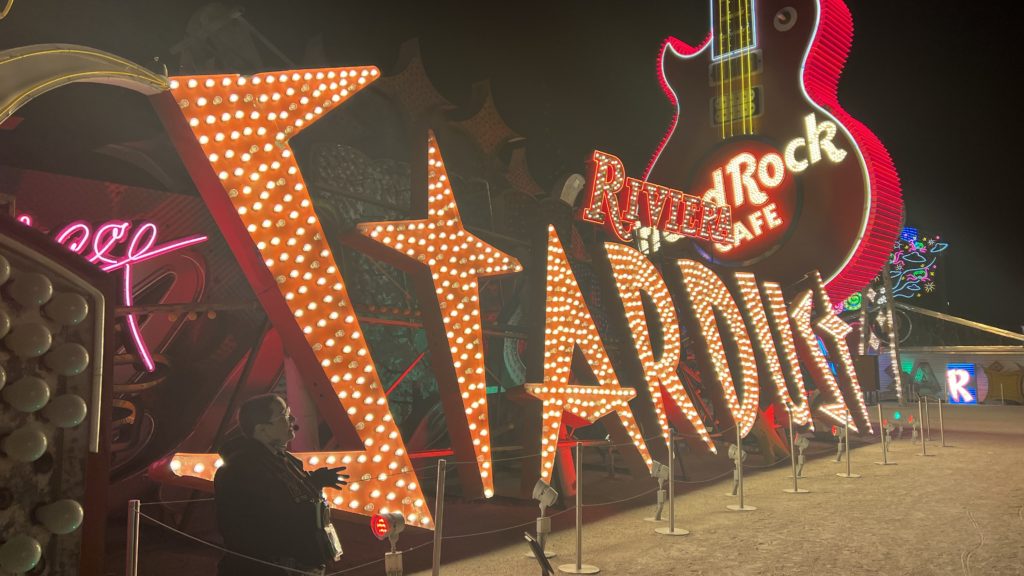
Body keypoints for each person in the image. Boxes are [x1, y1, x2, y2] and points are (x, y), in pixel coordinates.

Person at [214, 394, 348, 576]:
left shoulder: (286, 461)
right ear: (262, 430)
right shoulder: (239, 470)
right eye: (284, 416)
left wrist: (314, 483)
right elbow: (258, 525)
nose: (293, 419)